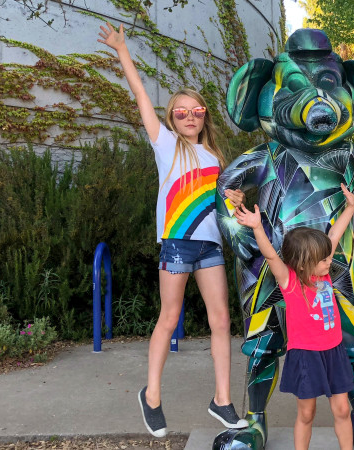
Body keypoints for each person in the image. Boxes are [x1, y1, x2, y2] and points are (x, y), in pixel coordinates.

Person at [98, 22, 247, 437]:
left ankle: (222, 400)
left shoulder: (215, 155)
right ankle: (152, 396)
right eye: (180, 112)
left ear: (205, 116)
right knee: (169, 317)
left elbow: (222, 203)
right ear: (172, 118)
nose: (188, 117)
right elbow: (141, 96)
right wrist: (122, 51)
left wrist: (232, 202)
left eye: (195, 111)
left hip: (211, 246)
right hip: (179, 246)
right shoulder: (165, 144)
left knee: (221, 321)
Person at [234, 183, 354, 450]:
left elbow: (334, 233)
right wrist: (257, 227)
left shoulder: (323, 272)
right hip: (306, 355)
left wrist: (351, 207)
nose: (329, 262)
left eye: (328, 256)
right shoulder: (290, 282)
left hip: (333, 351)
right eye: (324, 259)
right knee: (306, 413)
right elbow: (269, 255)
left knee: (342, 410)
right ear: (302, 263)